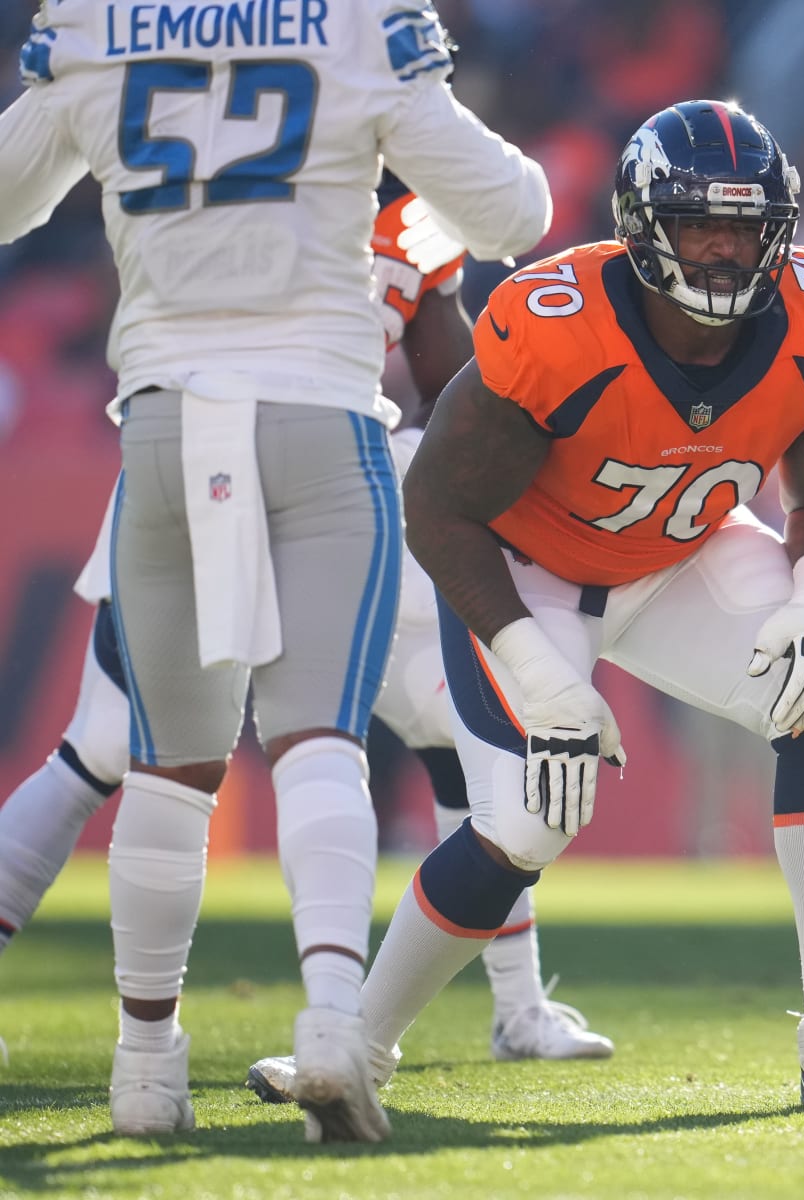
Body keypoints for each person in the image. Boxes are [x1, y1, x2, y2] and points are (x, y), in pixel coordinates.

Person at [248, 98, 804, 1124]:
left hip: (682, 554)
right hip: (529, 570)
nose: (726, 248)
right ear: (642, 224)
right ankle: (358, 1043)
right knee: (527, 820)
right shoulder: (556, 323)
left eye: (748, 226)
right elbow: (438, 510)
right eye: (700, 224)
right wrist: (543, 678)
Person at [0, 0, 550, 1141]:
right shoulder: (358, 24)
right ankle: (335, 1024)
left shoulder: (102, 25)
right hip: (318, 416)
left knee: (160, 770)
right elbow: (514, 213)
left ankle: (144, 1069)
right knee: (319, 742)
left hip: (165, 420)